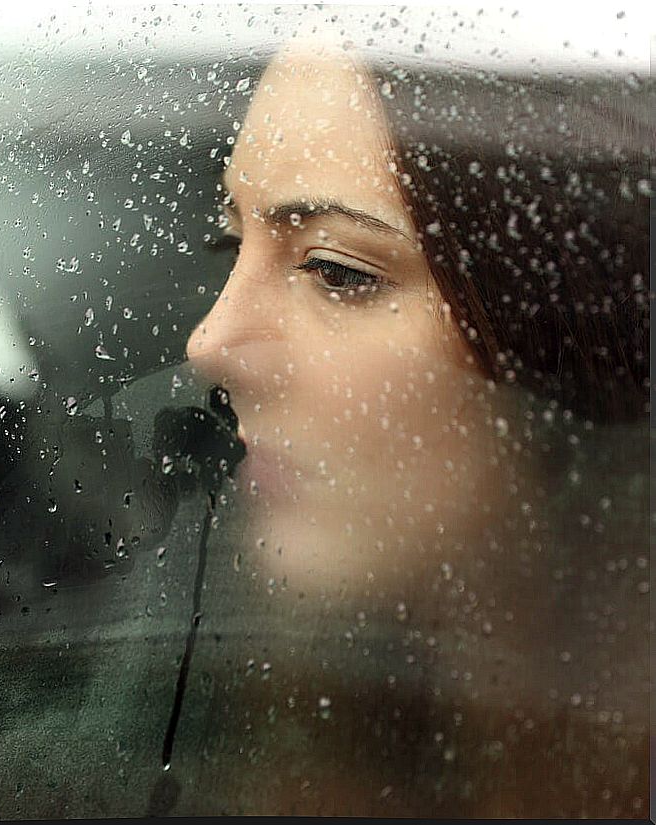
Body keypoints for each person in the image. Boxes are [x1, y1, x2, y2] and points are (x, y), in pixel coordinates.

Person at [184, 43, 651, 817]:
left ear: (570, 333)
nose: (209, 342)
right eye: (233, 245)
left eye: (338, 270)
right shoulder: (322, 719)